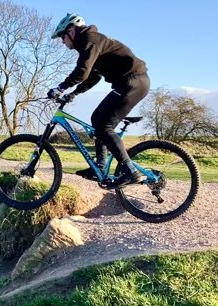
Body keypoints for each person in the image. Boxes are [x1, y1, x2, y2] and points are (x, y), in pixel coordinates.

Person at [47, 13, 150, 189]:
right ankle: (100, 166)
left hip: (133, 81)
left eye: (62, 37)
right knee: (97, 120)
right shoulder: (89, 43)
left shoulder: (90, 39)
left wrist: (61, 87)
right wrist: (74, 93)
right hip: (131, 82)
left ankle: (130, 171)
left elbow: (82, 71)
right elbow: (93, 76)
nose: (62, 42)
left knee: (104, 126)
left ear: (71, 30)